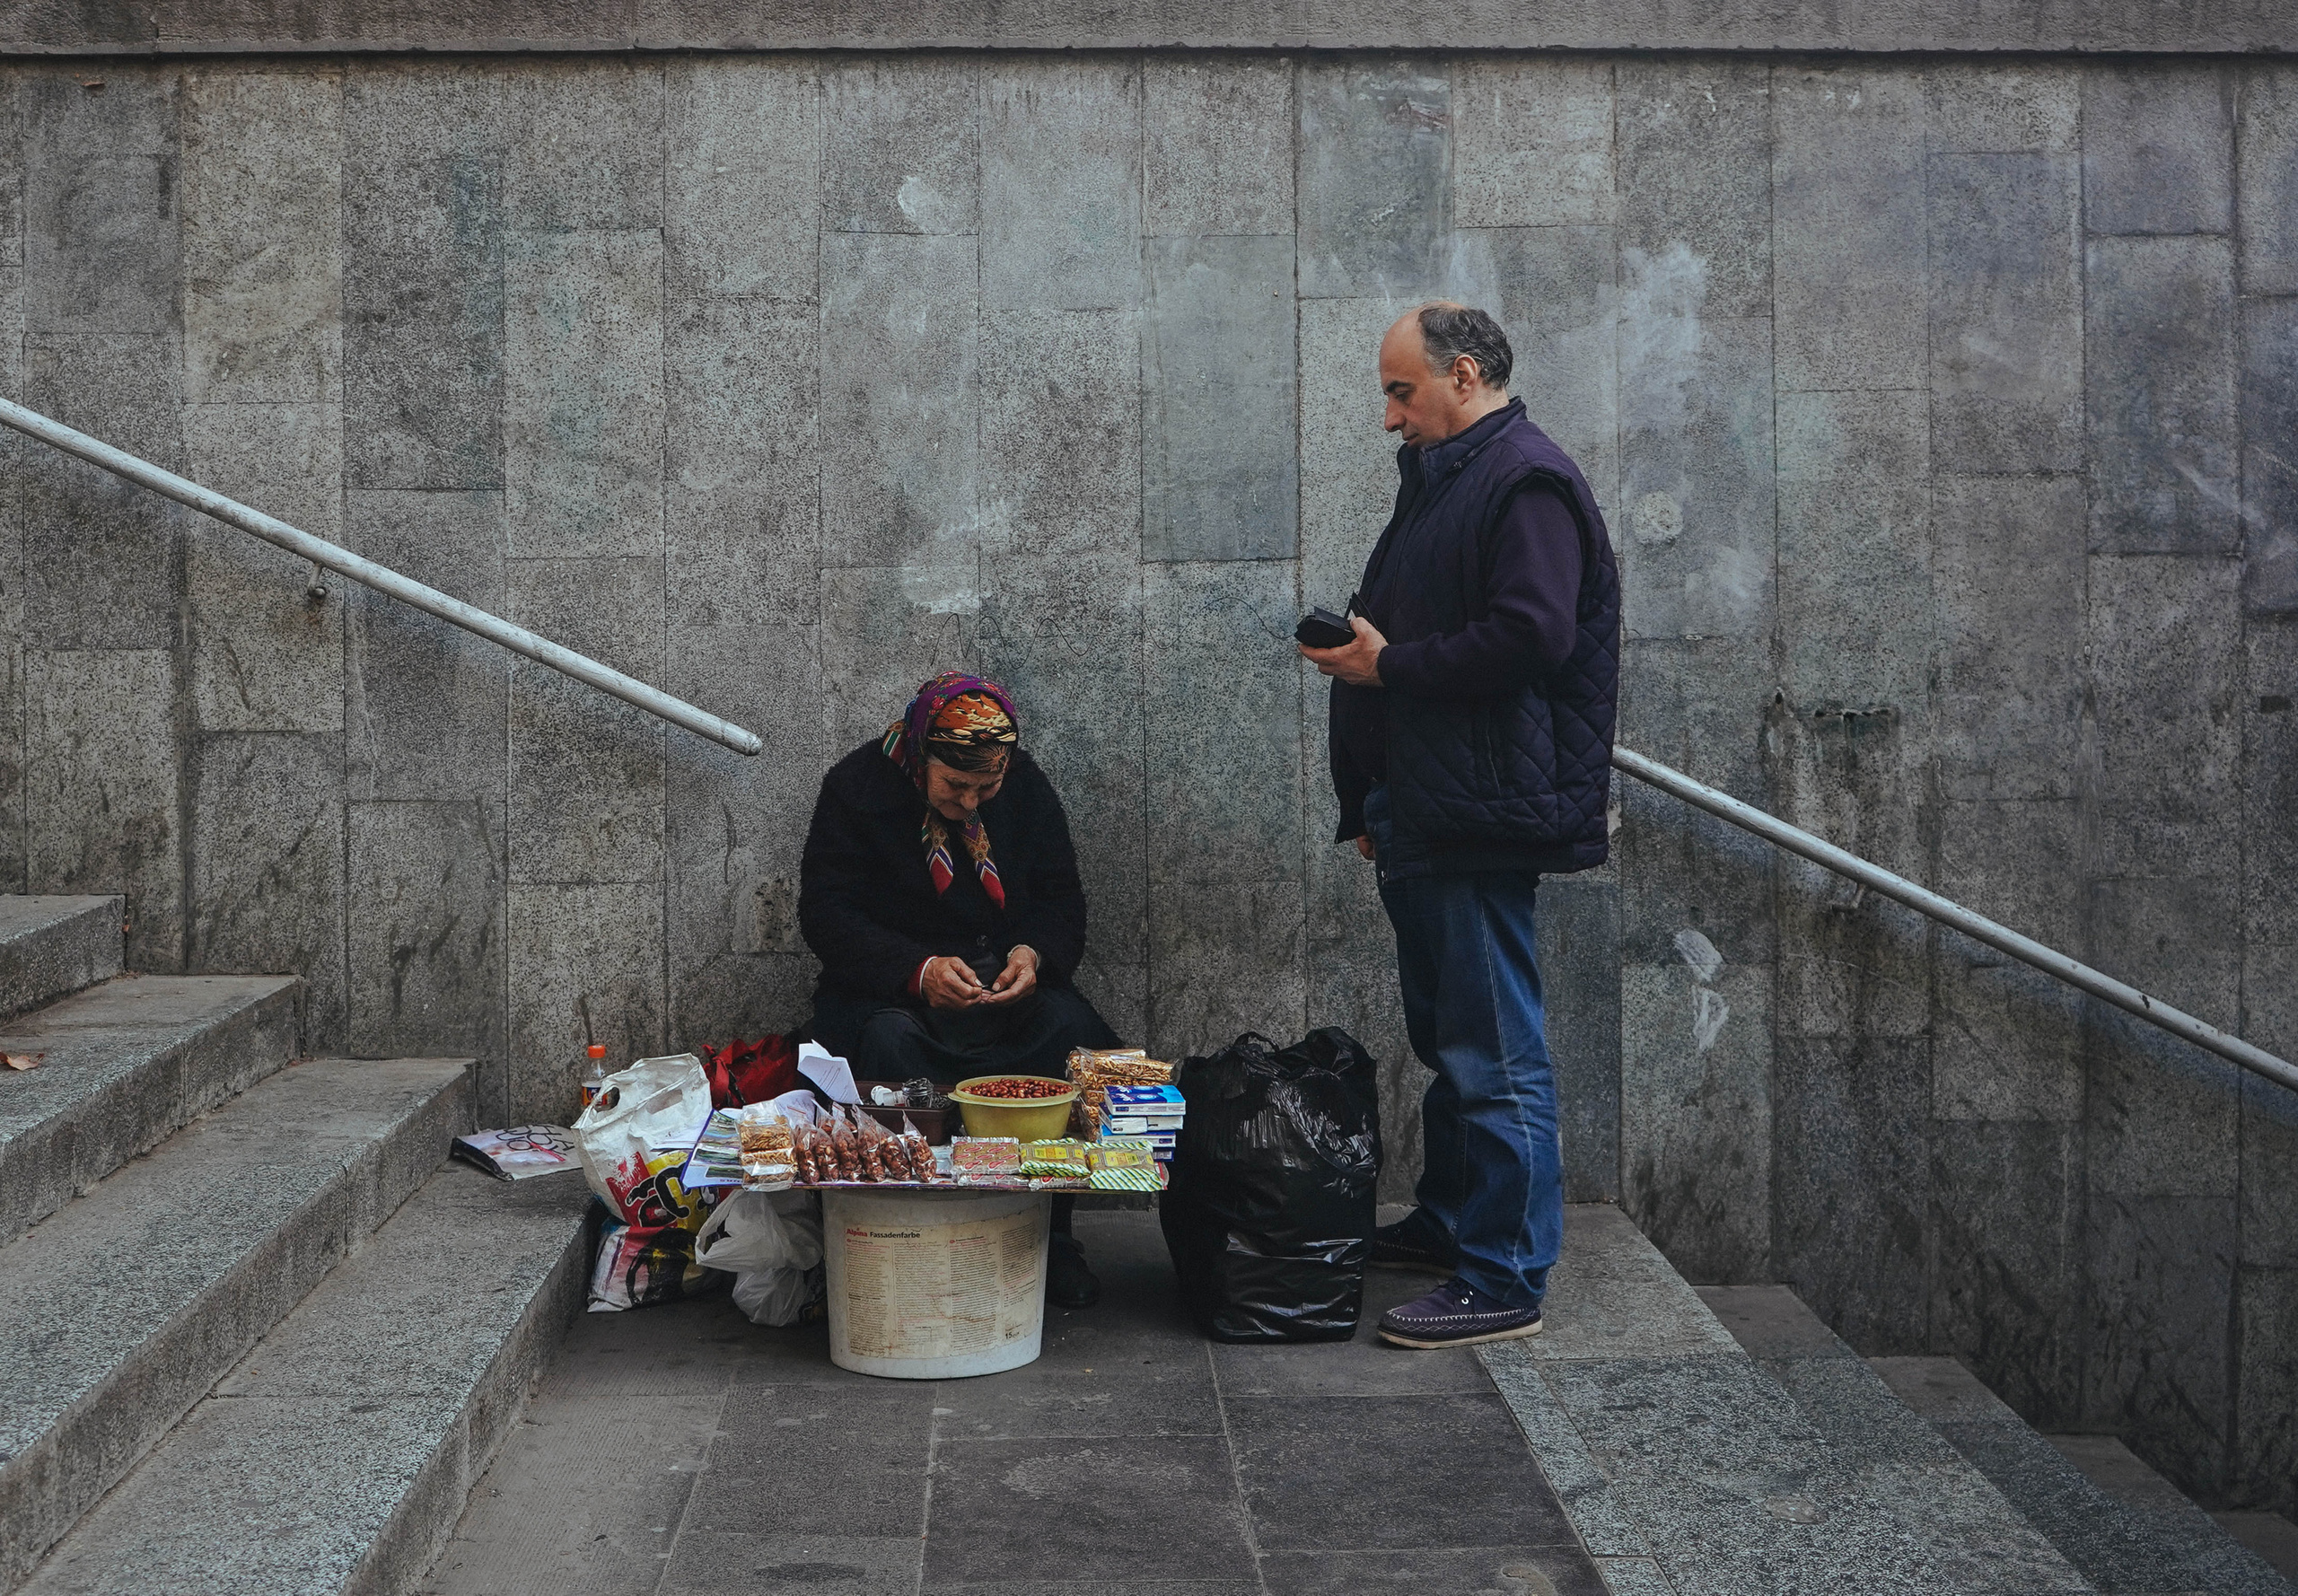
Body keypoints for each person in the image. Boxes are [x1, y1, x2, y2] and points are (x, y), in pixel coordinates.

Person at [1301, 303, 1620, 1350]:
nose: (1391, 416)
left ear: (1465, 374)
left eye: (1402, 391)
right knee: (1451, 1039)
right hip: (1426, 806)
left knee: (1494, 1054)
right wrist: (1371, 796)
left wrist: (1385, 665)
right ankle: (1451, 1221)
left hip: (1481, 811)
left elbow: (1531, 635)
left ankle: (1505, 1274)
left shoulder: (1523, 479)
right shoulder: (1447, 478)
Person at [798, 671, 1124, 1309]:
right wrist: (917, 970)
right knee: (887, 1048)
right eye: (955, 786)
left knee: (1069, 1036)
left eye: (986, 788)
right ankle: (910, 1233)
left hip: (1001, 993)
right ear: (922, 759)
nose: (972, 802)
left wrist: (1032, 955)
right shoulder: (856, 788)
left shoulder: (1024, 785)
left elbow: (1062, 900)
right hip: (893, 994)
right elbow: (826, 915)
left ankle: (1046, 1237)